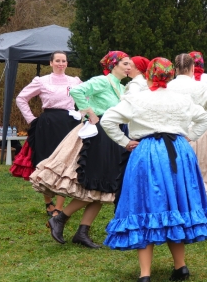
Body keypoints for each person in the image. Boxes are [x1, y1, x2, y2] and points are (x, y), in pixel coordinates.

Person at [100, 58, 207, 282]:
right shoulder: (181, 99)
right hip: (178, 152)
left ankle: (145, 274)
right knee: (176, 205)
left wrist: (125, 141)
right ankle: (180, 267)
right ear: (170, 75)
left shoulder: (136, 98)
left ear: (148, 75)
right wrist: (191, 136)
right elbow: (204, 117)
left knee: (145, 204)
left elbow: (108, 120)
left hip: (148, 153)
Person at [31, 51, 131, 248]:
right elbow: (77, 91)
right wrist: (90, 112)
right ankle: (60, 218)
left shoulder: (120, 87)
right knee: (95, 184)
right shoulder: (102, 82)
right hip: (99, 135)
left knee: (104, 186)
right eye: (126, 63)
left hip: (112, 135)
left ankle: (82, 232)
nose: (129, 67)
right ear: (114, 65)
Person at [13, 51, 82, 217]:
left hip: (69, 123)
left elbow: (87, 98)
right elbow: (21, 98)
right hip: (47, 124)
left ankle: (59, 207)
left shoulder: (75, 81)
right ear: (51, 63)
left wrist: (81, 114)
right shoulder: (41, 81)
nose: (61, 63)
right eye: (57, 60)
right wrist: (32, 120)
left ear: (67, 63)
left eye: (63, 61)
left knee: (65, 162)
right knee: (46, 161)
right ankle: (48, 202)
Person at [168, 54, 207, 206]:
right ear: (193, 68)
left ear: (175, 69)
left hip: (174, 134)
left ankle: (181, 202)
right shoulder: (200, 87)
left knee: (178, 170)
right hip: (198, 132)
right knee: (204, 170)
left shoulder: (167, 87)